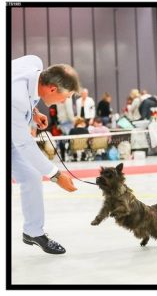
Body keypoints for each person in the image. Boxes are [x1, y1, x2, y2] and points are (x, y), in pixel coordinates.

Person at [12, 55, 80, 255]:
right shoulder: (15, 98)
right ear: (52, 89)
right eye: (65, 97)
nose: (64, 101)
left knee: (31, 177)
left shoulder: (35, 63)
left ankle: (33, 231)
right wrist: (57, 176)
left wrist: (33, 112)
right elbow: (24, 144)